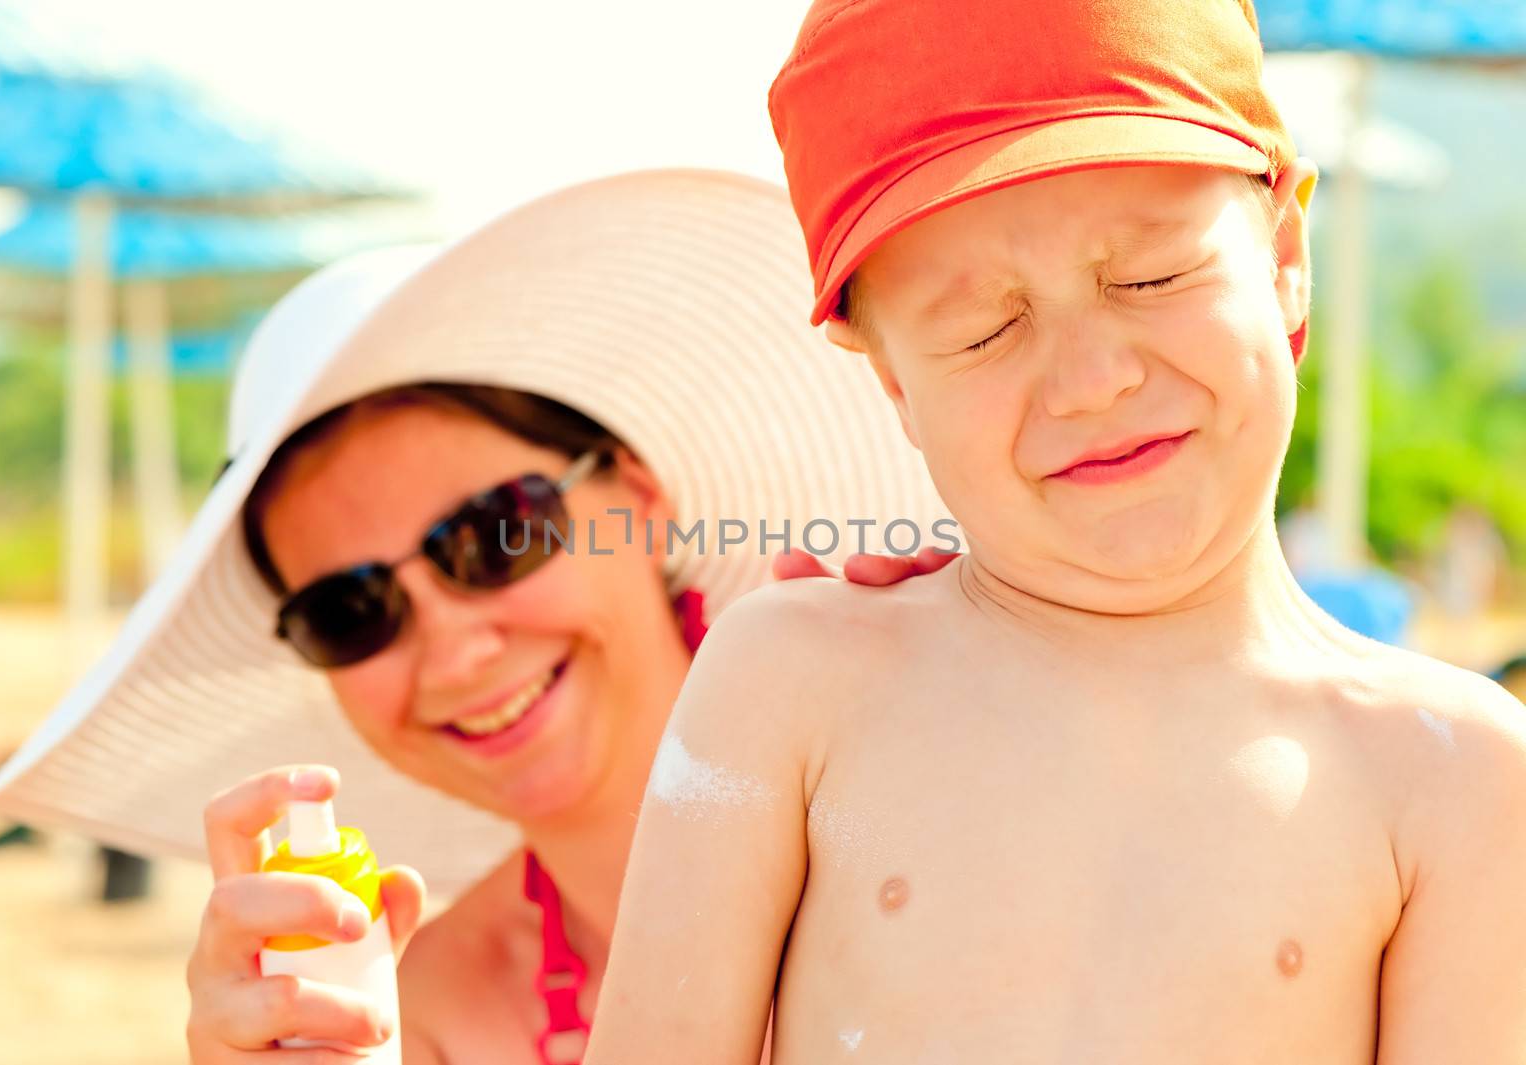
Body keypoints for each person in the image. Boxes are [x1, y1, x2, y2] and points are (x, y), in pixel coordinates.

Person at [585, 3, 1526, 1062]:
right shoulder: (793, 685)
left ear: (1284, 253)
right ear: (894, 382)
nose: (1090, 380)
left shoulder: (1448, 774)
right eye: (982, 329)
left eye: (1149, 277)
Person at [0, 170, 948, 1064]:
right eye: (349, 611)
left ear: (641, 503)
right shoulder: (424, 1015)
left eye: (497, 533)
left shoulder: (941, 776)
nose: (451, 643)